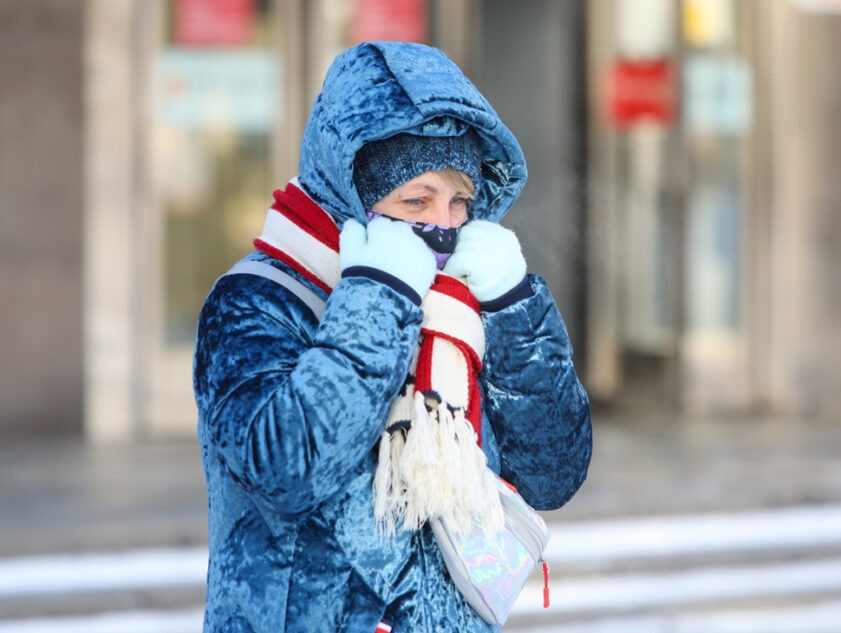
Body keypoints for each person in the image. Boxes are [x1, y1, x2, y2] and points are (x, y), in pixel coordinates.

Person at [193, 41, 592, 633]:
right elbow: (287, 467)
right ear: (352, 197)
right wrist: (378, 293)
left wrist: (513, 305)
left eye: (459, 200)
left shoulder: (464, 306)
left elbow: (554, 472)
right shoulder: (255, 301)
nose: (445, 224)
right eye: (415, 200)